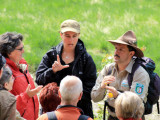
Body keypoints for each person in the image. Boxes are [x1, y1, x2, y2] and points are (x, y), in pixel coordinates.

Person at [36, 19, 97, 118]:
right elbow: (39, 80)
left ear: (79, 35)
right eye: (67, 36)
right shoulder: (51, 55)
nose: (71, 40)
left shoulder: (86, 59)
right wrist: (52, 71)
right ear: (61, 35)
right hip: (53, 113)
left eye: (74, 36)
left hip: (79, 113)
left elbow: (92, 87)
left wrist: (72, 97)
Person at [91, 30, 150, 120]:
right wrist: (101, 87)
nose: (116, 52)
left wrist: (117, 96)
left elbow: (135, 106)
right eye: (115, 48)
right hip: (112, 117)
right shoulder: (108, 69)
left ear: (131, 53)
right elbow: (94, 98)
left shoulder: (140, 73)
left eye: (121, 49)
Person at [0, 32, 42, 120]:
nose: (23, 51)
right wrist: (26, 96)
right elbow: (7, 105)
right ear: (9, 52)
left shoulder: (22, 65)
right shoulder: (5, 74)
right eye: (20, 49)